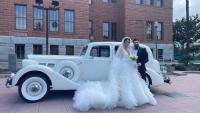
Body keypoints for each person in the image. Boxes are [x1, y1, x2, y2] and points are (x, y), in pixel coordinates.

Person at [73, 37, 157, 111]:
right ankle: (125, 99)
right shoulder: (121, 49)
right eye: (126, 42)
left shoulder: (129, 49)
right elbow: (118, 60)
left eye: (128, 42)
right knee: (124, 84)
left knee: (132, 83)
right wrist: (124, 65)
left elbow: (131, 58)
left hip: (130, 69)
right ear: (123, 42)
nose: (127, 43)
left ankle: (137, 99)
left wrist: (134, 62)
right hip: (123, 68)